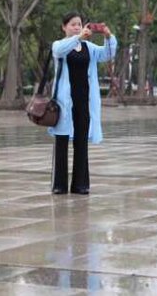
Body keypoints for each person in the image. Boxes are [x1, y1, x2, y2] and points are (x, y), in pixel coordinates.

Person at [49, 11, 117, 195]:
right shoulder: (60, 45)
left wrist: (108, 37)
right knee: (61, 141)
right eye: (72, 24)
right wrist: (78, 37)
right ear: (64, 27)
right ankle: (59, 185)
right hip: (64, 102)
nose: (77, 27)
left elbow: (107, 54)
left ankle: (80, 184)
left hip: (84, 101)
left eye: (79, 24)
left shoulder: (89, 47)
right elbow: (59, 51)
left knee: (81, 142)